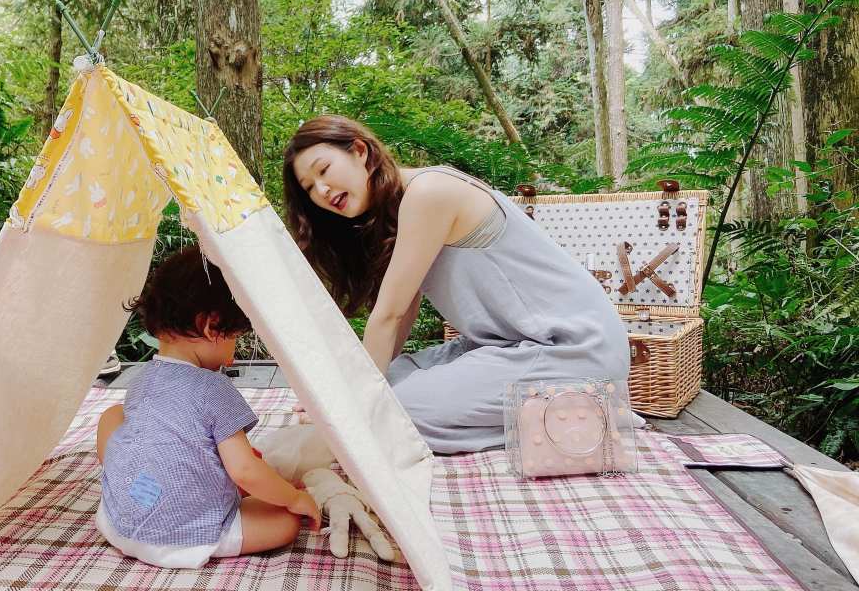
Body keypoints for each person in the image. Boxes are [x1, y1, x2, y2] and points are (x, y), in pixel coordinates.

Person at [283, 115, 630, 454]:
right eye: (309, 188)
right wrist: (346, 388)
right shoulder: (398, 212)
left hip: (575, 350)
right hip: (507, 346)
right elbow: (403, 316)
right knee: (393, 378)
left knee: (392, 409)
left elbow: (389, 315)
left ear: (360, 151)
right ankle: (558, 410)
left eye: (323, 170)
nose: (322, 190)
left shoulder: (428, 193)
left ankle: (579, 414)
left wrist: (351, 403)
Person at [95, 245, 321, 568]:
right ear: (210, 326)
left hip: (117, 524)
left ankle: (129, 483)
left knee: (113, 415)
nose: (232, 358)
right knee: (285, 520)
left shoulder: (141, 379)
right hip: (188, 534)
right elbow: (244, 471)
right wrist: (293, 497)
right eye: (234, 339)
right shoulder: (214, 388)